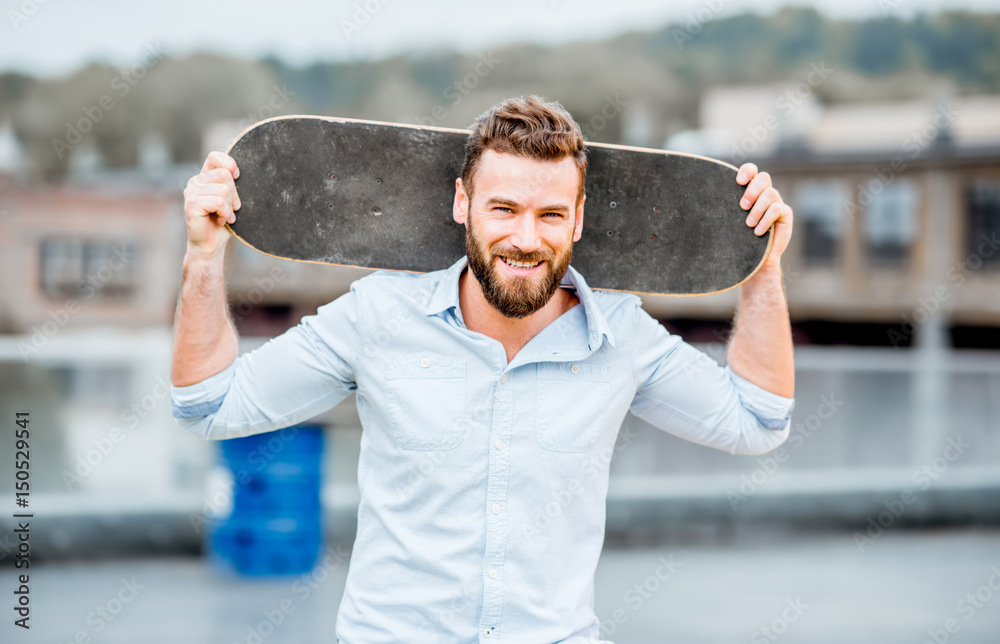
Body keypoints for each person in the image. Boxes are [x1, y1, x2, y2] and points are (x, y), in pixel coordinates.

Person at [170, 95, 796, 643]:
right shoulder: (379, 315)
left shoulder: (621, 336)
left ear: (577, 220)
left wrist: (761, 268)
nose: (526, 238)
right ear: (463, 204)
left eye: (550, 215)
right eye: (504, 209)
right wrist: (204, 256)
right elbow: (209, 405)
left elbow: (757, 420)